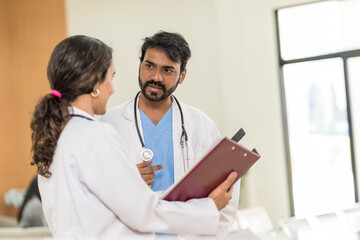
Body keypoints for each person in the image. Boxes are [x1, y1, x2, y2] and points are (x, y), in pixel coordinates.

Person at [30, 35, 237, 238]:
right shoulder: (97, 134)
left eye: (167, 70)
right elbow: (143, 211)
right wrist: (208, 208)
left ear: (182, 75)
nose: (112, 88)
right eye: (111, 77)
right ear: (95, 83)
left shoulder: (60, 133)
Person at [100, 31, 241, 234]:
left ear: (182, 76)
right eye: (150, 66)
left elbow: (226, 196)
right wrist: (126, 181)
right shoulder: (109, 123)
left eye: (167, 70)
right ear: (140, 65)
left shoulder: (201, 125)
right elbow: (94, 191)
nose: (156, 77)